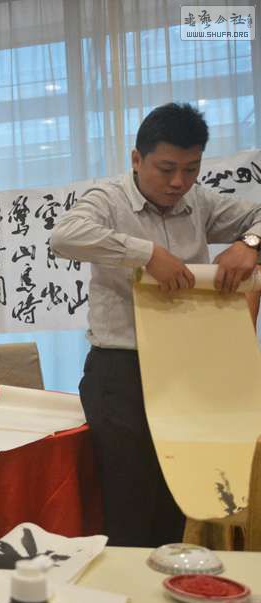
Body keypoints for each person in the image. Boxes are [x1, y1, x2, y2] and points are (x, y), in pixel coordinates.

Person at [51, 103, 261, 547]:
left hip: (187, 370)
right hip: (121, 372)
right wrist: (146, 254)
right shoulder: (109, 200)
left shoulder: (199, 202)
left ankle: (170, 584)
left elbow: (255, 220)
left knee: (179, 494)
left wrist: (250, 242)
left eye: (191, 169)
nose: (179, 182)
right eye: (166, 169)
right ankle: (127, 586)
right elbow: (64, 236)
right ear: (136, 159)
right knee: (128, 500)